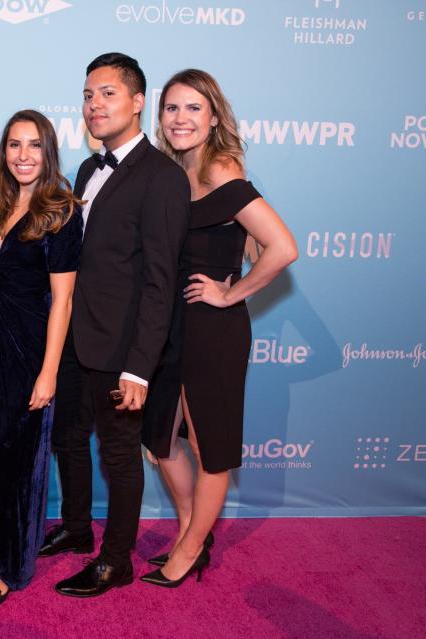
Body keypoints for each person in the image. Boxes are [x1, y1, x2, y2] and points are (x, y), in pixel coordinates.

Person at [39, 52, 190, 598]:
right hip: (80, 339)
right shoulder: (87, 168)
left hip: (124, 350)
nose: (94, 105)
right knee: (69, 439)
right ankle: (78, 530)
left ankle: (116, 560)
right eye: (87, 95)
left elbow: (160, 282)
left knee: (120, 456)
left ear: (137, 102)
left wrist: (139, 368)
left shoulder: (163, 178)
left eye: (106, 93)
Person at [140, 69, 297, 587]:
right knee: (161, 439)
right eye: (172, 109)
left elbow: (283, 248)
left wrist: (230, 292)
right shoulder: (166, 175)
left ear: (213, 118)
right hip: (167, 326)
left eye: (193, 108)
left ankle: (187, 551)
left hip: (212, 328)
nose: (181, 119)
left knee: (209, 445)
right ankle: (192, 531)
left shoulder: (224, 173)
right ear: (160, 118)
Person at [0, 111, 83, 609]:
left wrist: (49, 371)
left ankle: (9, 562)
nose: (23, 155)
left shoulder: (60, 212)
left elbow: (63, 301)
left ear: (48, 152)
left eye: (34, 145)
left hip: (27, 351)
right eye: (14, 145)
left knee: (16, 460)